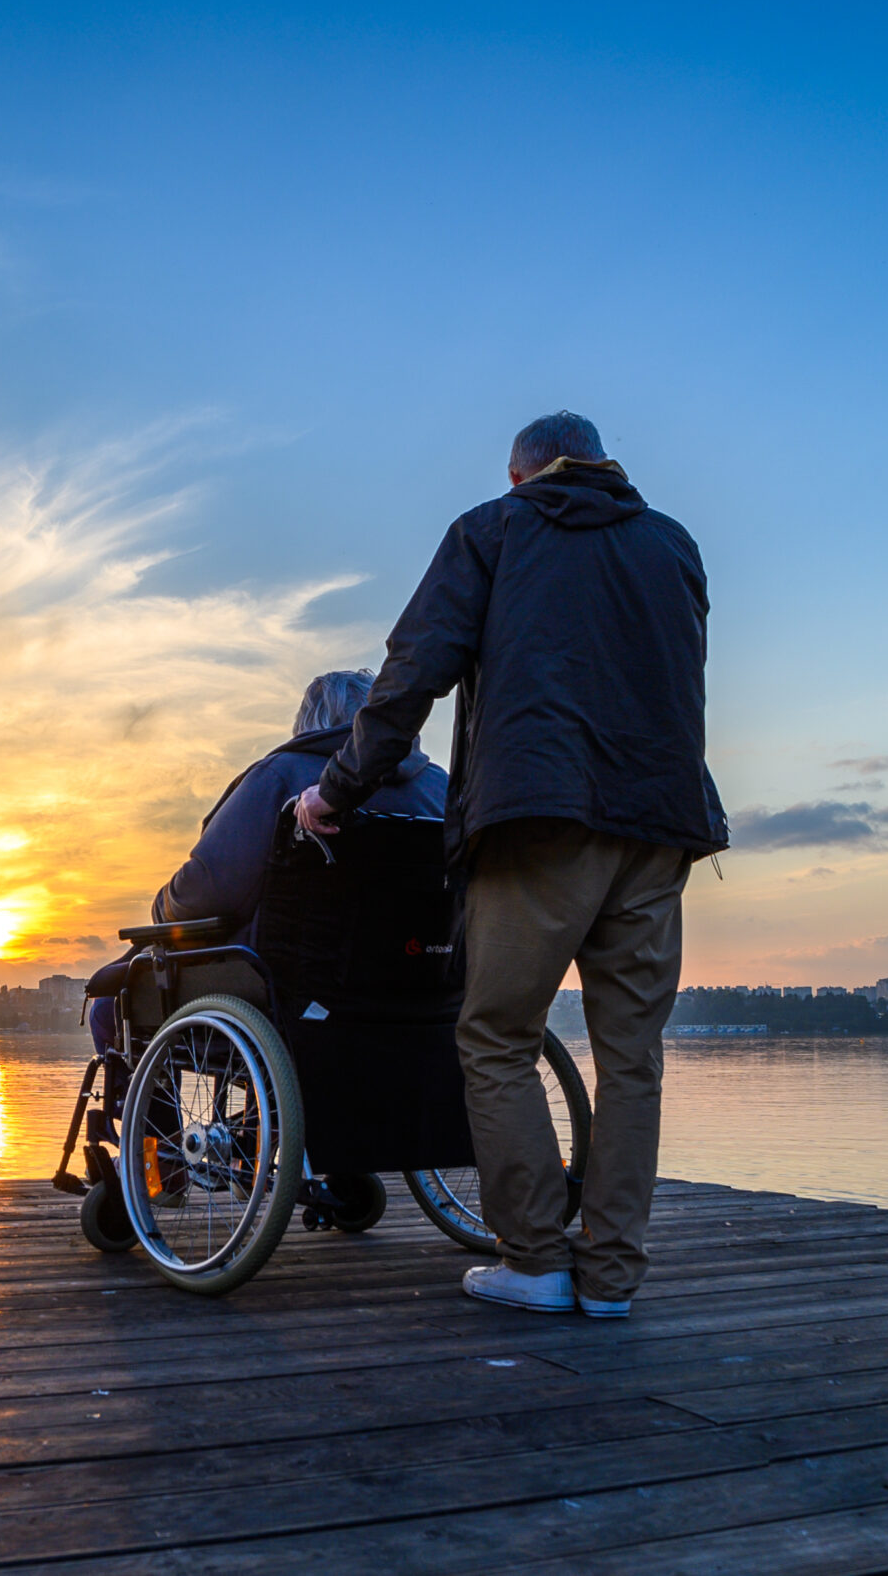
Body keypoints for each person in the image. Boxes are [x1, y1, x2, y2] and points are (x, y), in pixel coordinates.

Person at [295, 411, 726, 1318]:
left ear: (521, 475)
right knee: (632, 1059)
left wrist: (335, 790)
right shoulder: (673, 545)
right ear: (604, 462)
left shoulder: (493, 529)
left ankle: (535, 1256)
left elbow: (413, 672)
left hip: (538, 817)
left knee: (495, 1037)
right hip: (660, 824)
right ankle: (611, 1278)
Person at [84, 671, 445, 1055]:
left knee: (110, 1010)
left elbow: (207, 892)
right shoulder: (440, 788)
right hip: (422, 990)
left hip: (290, 994)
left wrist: (162, 905)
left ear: (307, 727)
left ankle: (155, 1116)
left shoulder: (282, 776)